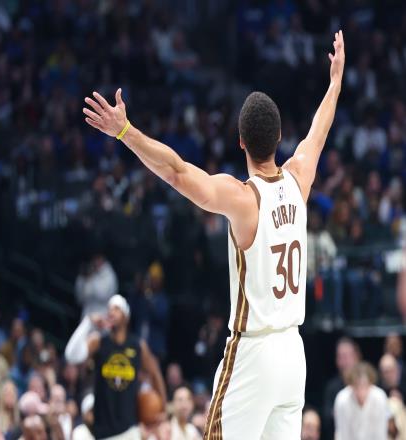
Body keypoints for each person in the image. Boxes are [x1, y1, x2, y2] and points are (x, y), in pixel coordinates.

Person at [83, 29, 345, 438]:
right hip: (294, 353)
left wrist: (124, 131)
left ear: (240, 142)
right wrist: (335, 82)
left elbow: (176, 171)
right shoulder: (299, 177)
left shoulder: (244, 198)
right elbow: (318, 131)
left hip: (255, 351)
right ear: (278, 137)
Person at [65, 294, 167, 439]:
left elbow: (155, 373)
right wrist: (88, 323)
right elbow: (71, 356)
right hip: (102, 429)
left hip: (129, 429)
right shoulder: (99, 341)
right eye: (110, 309)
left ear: (126, 317)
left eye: (116, 309)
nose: (111, 312)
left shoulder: (138, 345)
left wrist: (163, 407)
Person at [334, 362, 390, 440]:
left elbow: (381, 432)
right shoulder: (342, 400)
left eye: (364, 385)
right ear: (351, 385)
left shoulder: (379, 397)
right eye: (357, 385)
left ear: (370, 384)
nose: (361, 390)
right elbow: (342, 433)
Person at [323, 337, 361, 434]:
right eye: (340, 357)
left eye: (347, 356)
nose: (344, 362)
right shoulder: (331, 388)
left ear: (357, 357)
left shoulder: (368, 384)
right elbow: (327, 418)